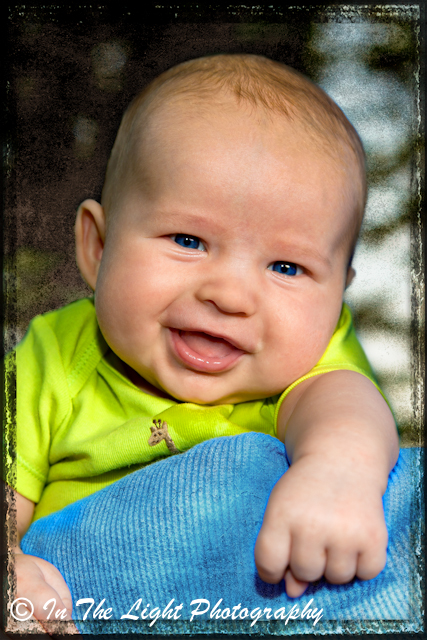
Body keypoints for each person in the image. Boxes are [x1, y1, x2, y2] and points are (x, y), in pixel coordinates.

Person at [8, 53, 399, 624]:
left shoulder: (308, 366)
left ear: (338, 295)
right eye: (188, 240)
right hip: (87, 596)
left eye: (287, 268)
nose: (231, 296)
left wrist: (338, 473)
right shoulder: (55, 354)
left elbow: (346, 411)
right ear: (97, 247)